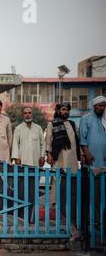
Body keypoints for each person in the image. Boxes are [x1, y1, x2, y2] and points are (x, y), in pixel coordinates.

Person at [46, 102, 81, 239]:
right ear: (59, 111)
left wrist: (81, 155)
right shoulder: (52, 124)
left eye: (67, 110)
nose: (65, 112)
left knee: (71, 190)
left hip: (72, 161)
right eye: (63, 109)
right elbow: (49, 140)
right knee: (57, 189)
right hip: (59, 160)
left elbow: (78, 142)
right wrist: (48, 154)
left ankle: (71, 222)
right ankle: (58, 219)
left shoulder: (72, 124)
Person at [80, 96, 106, 169]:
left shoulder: (104, 120)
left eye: (104, 106)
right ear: (94, 106)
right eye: (100, 105)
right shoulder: (85, 119)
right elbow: (82, 139)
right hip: (90, 156)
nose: (102, 108)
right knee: (90, 178)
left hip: (103, 156)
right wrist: (87, 154)